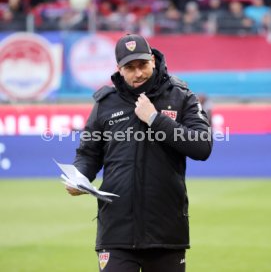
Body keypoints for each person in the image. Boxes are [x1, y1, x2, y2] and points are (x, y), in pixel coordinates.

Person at [66, 34, 213, 272]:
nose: (138, 74)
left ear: (153, 61)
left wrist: (155, 119)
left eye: (143, 65)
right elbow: (88, 154)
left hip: (166, 232)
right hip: (116, 232)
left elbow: (202, 146)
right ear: (119, 69)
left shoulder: (181, 96)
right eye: (130, 67)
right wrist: (79, 177)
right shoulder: (105, 103)